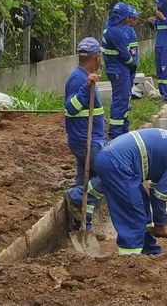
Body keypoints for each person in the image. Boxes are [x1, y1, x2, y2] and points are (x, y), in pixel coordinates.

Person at [63, 37, 106, 231]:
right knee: (109, 174)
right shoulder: (79, 79)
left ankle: (82, 225)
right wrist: (85, 88)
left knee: (86, 180)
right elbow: (70, 108)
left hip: (87, 139)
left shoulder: (83, 76)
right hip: (86, 141)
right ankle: (76, 196)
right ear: (96, 57)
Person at [102, 2, 136, 139]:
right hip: (119, 70)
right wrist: (132, 64)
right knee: (120, 101)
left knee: (123, 100)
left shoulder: (109, 28)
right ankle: (116, 134)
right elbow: (125, 54)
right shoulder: (116, 32)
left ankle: (122, 130)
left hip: (115, 69)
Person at [124, 6, 140, 90]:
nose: (136, 21)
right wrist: (131, 62)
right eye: (134, 19)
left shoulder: (130, 29)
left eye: (137, 18)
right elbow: (126, 48)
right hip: (130, 61)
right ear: (128, 18)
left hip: (133, 60)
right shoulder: (126, 29)